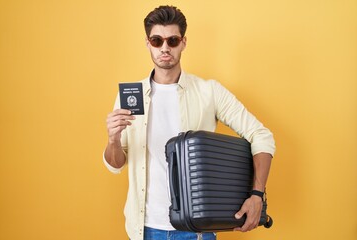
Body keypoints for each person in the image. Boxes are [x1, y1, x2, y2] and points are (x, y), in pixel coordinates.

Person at [104, 5, 275, 240]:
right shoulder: (129, 97)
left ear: (183, 42)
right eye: (157, 40)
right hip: (144, 228)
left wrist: (257, 195)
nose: (165, 48)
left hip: (194, 230)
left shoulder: (209, 92)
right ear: (147, 43)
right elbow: (116, 164)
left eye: (172, 40)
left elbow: (261, 135)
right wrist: (113, 139)